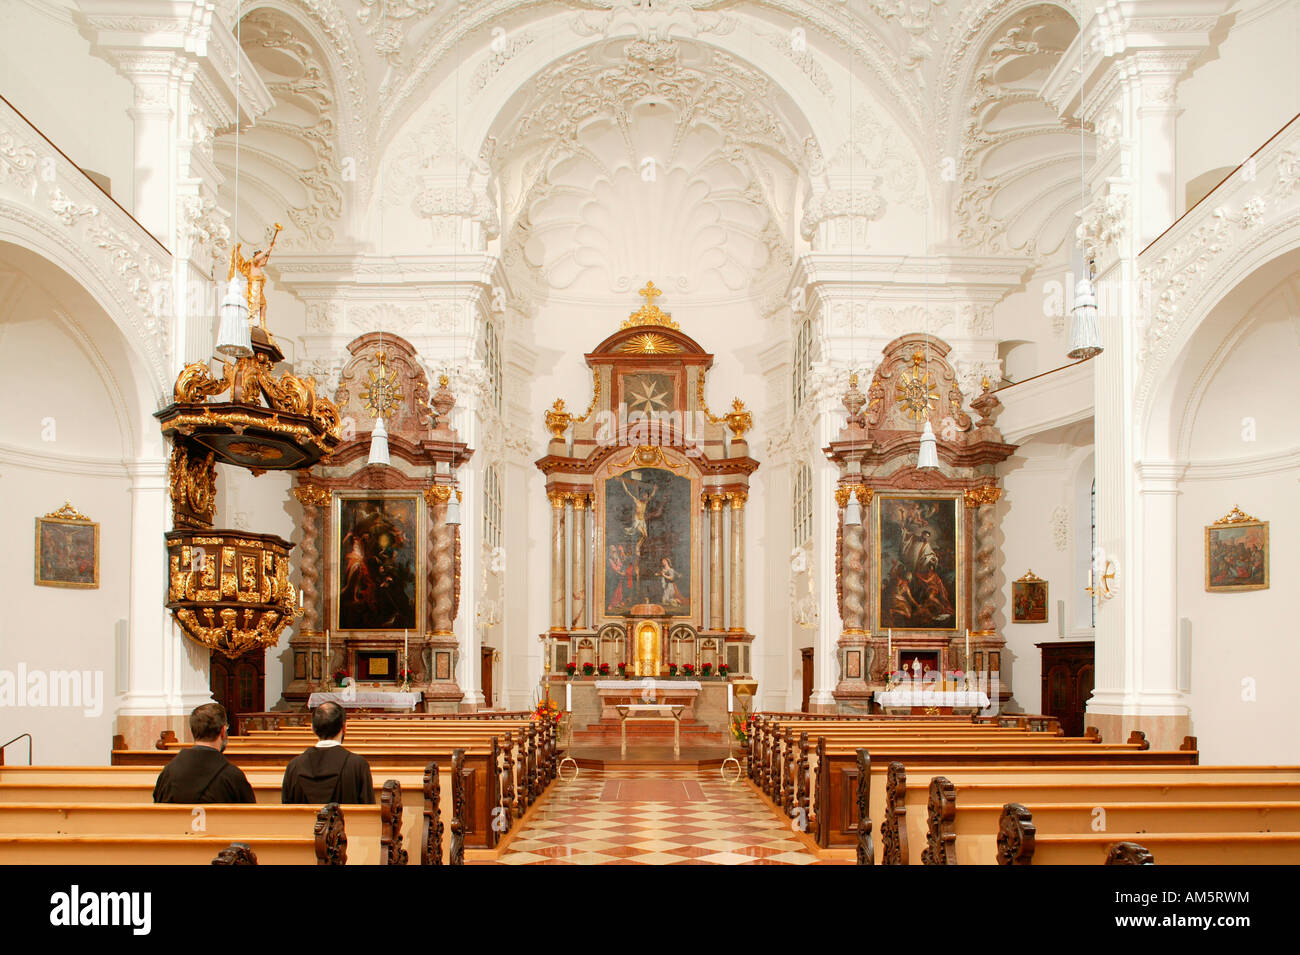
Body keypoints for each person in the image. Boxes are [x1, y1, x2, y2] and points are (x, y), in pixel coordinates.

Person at [152, 703, 255, 804]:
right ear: (223, 732)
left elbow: (158, 810)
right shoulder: (232, 776)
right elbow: (251, 816)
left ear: (193, 731)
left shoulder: (168, 773)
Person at [281, 701, 375, 804]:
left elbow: (287, 808)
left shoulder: (294, 766)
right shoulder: (358, 766)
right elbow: (367, 810)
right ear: (344, 728)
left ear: (312, 728)